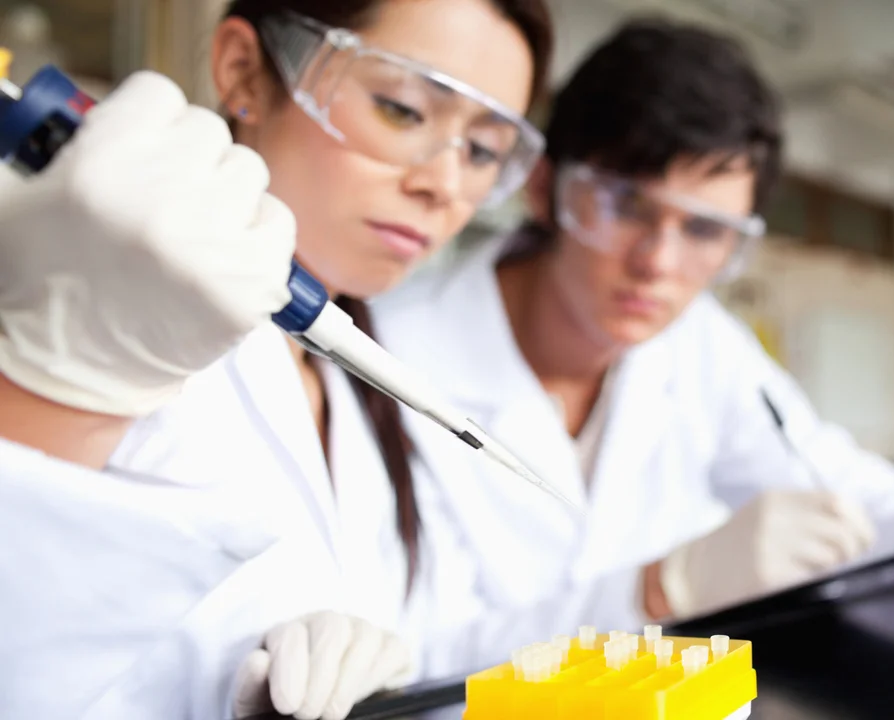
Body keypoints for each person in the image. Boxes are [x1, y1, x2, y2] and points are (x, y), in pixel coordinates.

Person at [371, 17, 894, 661]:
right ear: (544, 186)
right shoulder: (388, 350)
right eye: (627, 205)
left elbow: (840, 488)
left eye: (705, 231)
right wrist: (661, 590)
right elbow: (404, 661)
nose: (659, 264)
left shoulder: (696, 342)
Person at [0, 0, 552, 717]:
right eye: (402, 108)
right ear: (243, 72)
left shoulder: (350, 375)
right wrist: (57, 397)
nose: (445, 187)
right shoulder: (84, 307)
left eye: (482, 151)